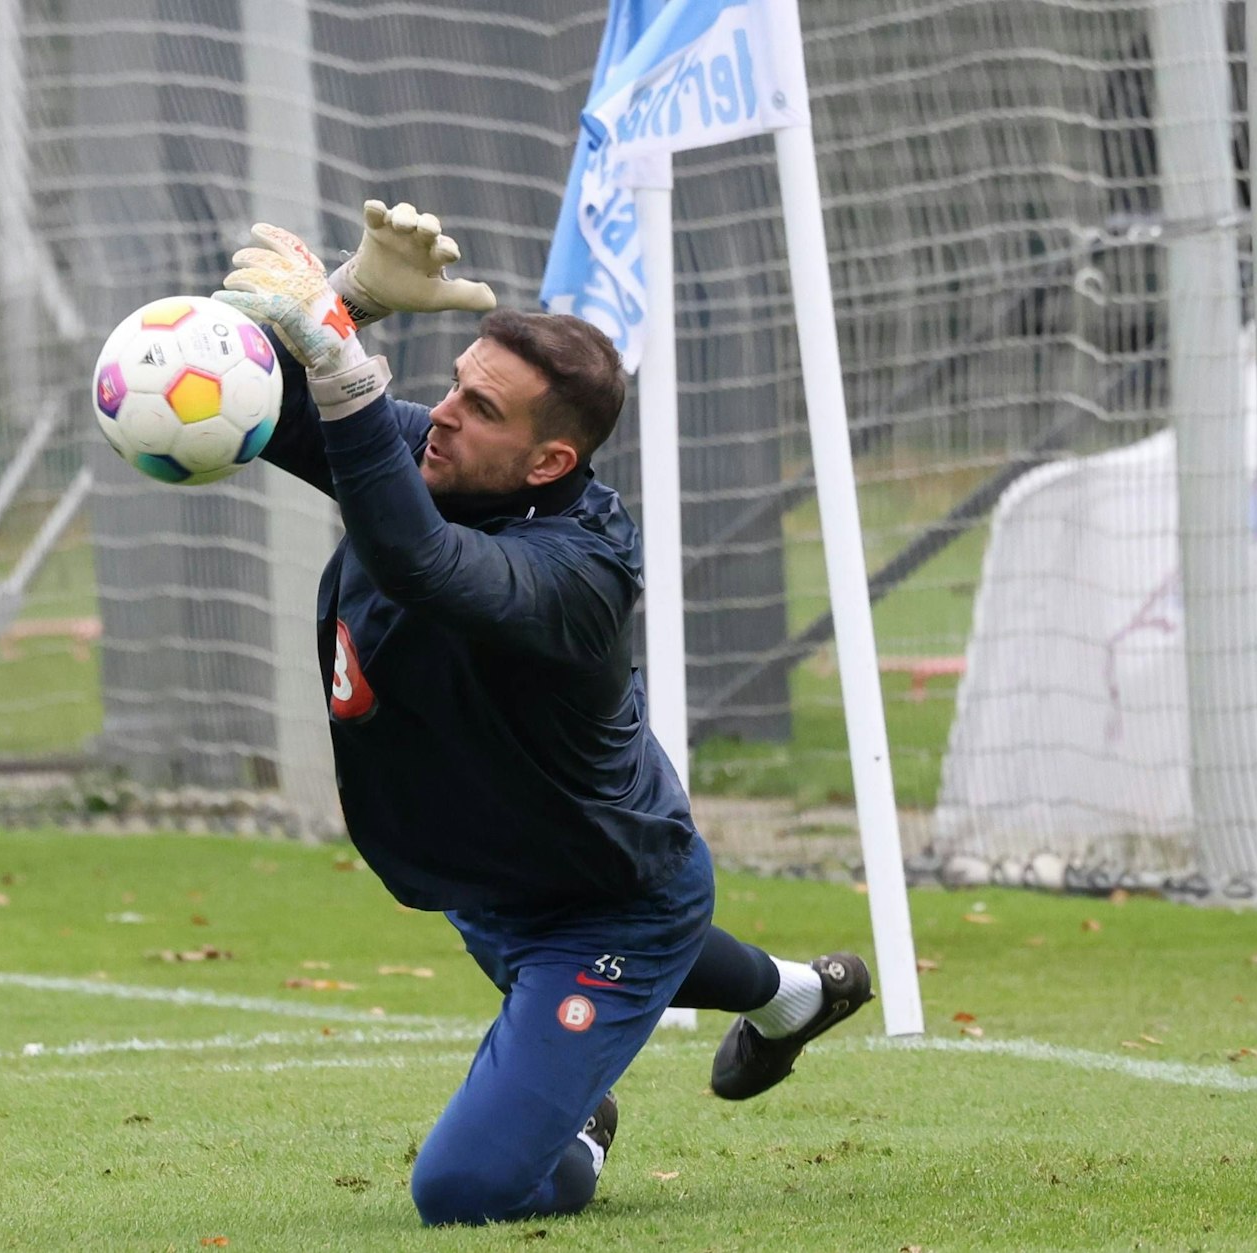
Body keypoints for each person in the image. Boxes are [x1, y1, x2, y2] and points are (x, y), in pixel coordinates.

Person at [211, 202, 874, 1227]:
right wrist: (342, 298)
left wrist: (340, 361)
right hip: (495, 867)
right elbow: (256, 402)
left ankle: (578, 1122)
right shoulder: (438, 455)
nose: (442, 413)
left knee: (465, 1189)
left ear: (547, 463)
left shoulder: (579, 573)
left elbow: (419, 563)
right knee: (561, 955)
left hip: (610, 896)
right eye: (454, 384)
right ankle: (794, 992)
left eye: (481, 407)